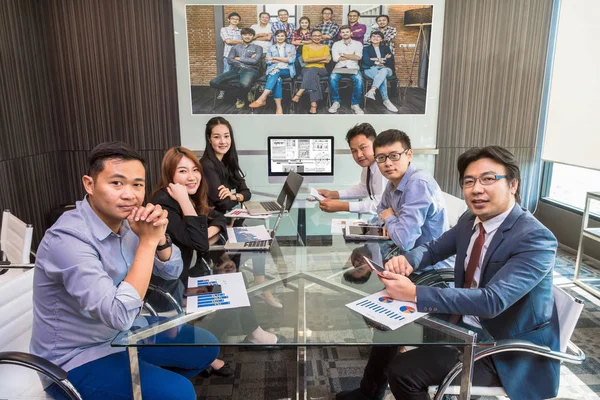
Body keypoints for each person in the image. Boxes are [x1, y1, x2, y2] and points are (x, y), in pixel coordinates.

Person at [31, 142, 219, 400]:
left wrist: (160, 239)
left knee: (207, 345)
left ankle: (142, 389)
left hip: (126, 334)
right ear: (89, 184)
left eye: (138, 185)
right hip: (75, 358)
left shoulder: (129, 222)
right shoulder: (68, 239)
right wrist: (148, 242)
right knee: (179, 392)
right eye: (116, 183)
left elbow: (173, 270)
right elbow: (118, 314)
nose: (129, 194)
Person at [381, 146, 560, 400]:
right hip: (465, 322)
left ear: (513, 185)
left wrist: (415, 293)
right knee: (386, 329)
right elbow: (433, 249)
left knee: (403, 372)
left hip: (503, 350)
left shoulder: (535, 238)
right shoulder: (471, 218)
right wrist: (407, 261)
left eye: (488, 179)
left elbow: (492, 301)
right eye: (469, 181)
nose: (476, 189)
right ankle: (368, 393)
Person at [335, 129, 452, 400]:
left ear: (409, 155)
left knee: (384, 324)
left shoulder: (417, 183)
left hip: (433, 273)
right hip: (409, 265)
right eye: (382, 158)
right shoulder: (394, 182)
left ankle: (372, 392)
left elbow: (405, 237)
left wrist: (390, 217)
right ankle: (370, 391)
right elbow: (381, 211)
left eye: (394, 156)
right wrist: (389, 216)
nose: (387, 163)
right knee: (382, 324)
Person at [200, 116, 281, 308]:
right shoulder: (207, 165)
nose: (223, 141)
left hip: (227, 219)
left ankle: (260, 284)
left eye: (226, 136)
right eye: (217, 137)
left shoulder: (228, 161)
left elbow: (246, 193)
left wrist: (235, 197)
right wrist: (232, 198)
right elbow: (223, 202)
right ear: (209, 139)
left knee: (263, 233)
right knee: (262, 239)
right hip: (215, 223)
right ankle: (258, 287)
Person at [317, 123, 387, 214]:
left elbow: (380, 205)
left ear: (376, 145)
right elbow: (364, 188)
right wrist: (333, 194)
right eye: (354, 151)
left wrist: (343, 206)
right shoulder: (369, 164)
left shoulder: (384, 167)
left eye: (363, 148)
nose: (359, 155)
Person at [209, 28, 262, 110]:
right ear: (241, 36)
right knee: (213, 82)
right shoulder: (235, 47)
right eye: (245, 34)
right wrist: (244, 61)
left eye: (250, 35)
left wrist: (238, 58)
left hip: (251, 70)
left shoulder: (258, 48)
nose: (247, 37)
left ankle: (240, 98)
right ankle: (244, 91)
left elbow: (255, 61)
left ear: (253, 36)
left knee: (244, 84)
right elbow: (229, 60)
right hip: (236, 69)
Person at [249, 29, 297, 114]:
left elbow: (291, 60)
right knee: (277, 78)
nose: (280, 37)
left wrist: (274, 58)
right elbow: (268, 61)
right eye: (278, 36)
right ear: (275, 37)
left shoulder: (291, 47)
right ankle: (279, 107)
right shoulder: (271, 47)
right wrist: (284, 59)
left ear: (285, 37)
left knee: (276, 71)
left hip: (287, 70)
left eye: (282, 36)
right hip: (273, 70)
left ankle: (262, 97)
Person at [292, 29, 331, 114]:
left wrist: (312, 60)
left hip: (321, 70)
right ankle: (314, 105)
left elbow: (327, 61)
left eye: (319, 36)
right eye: (315, 36)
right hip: (306, 69)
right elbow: (306, 59)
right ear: (311, 37)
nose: (317, 38)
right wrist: (322, 58)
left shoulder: (325, 47)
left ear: (321, 37)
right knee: (314, 77)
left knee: (312, 69)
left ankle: (300, 91)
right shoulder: (305, 47)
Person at [328, 25, 364, 115]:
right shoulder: (336, 44)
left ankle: (355, 104)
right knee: (332, 78)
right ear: (340, 34)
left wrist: (343, 54)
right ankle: (336, 102)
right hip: (339, 67)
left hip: (353, 67)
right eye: (343, 32)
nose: (345, 33)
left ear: (351, 33)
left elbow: (358, 57)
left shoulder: (358, 44)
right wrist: (351, 55)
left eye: (347, 32)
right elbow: (335, 58)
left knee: (359, 79)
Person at [362, 31, 398, 113]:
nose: (375, 38)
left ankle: (372, 90)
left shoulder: (386, 48)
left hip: (386, 68)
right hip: (370, 69)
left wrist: (374, 59)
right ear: (370, 39)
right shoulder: (366, 48)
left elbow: (390, 61)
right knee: (383, 78)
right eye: (373, 36)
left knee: (384, 70)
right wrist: (381, 59)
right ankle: (386, 100)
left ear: (381, 39)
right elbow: (366, 61)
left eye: (378, 36)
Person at [217, 12, 242, 100]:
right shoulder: (224, 29)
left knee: (239, 74)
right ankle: (222, 91)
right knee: (226, 73)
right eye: (233, 19)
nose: (235, 20)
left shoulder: (241, 31)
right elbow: (228, 41)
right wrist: (241, 41)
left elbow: (246, 42)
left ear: (239, 21)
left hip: (239, 57)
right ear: (229, 19)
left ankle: (238, 94)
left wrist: (234, 41)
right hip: (228, 55)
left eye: (237, 19)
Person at [250, 11, 273, 76]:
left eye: (267, 18)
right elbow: (249, 38)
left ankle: (264, 85)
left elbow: (268, 38)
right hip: (255, 51)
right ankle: (256, 85)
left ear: (269, 19)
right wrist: (260, 34)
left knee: (265, 69)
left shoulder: (271, 27)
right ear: (259, 18)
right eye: (263, 17)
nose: (265, 19)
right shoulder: (253, 27)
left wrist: (255, 37)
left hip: (266, 51)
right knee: (255, 69)